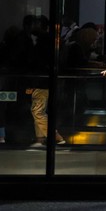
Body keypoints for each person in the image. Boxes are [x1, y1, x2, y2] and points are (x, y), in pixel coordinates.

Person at [16, 15, 66, 147]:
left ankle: (56, 138)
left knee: (37, 111)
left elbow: (35, 62)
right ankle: (40, 139)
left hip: (41, 81)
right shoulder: (49, 40)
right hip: (44, 80)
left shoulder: (42, 41)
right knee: (39, 109)